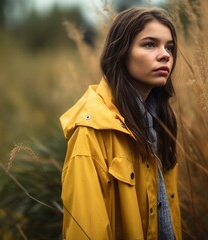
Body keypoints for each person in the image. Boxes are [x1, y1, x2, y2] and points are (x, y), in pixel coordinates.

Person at [59, 7, 181, 240]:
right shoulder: (91, 131)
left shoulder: (159, 123)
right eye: (149, 44)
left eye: (169, 47)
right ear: (121, 52)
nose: (165, 54)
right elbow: (87, 232)